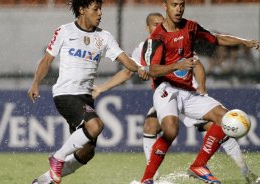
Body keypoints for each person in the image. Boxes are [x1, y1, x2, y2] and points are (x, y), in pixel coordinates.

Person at [92, 12, 259, 184]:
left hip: (189, 93)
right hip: (167, 94)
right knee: (151, 126)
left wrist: (201, 87)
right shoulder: (143, 48)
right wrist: (102, 88)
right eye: (154, 24)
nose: (158, 26)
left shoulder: (179, 37)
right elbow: (128, 72)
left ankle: (245, 171)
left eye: (160, 23)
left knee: (224, 124)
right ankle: (151, 178)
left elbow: (199, 64)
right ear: (147, 28)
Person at [139, 0, 260, 183]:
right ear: (165, 6)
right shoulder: (157, 37)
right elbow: (152, 70)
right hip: (166, 89)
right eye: (174, 5)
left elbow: (216, 38)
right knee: (170, 131)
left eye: (181, 4)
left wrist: (244, 42)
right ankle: (146, 180)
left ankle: (199, 165)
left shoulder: (191, 27)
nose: (178, 9)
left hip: (188, 90)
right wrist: (177, 65)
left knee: (224, 118)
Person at [28, 0, 148, 184]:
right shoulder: (65, 31)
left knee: (87, 152)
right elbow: (46, 60)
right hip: (66, 93)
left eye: (100, 9)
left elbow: (126, 60)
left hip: (85, 97)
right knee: (95, 126)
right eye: (95, 9)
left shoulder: (104, 37)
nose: (100, 13)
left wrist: (141, 68)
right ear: (82, 10)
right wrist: (36, 83)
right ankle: (57, 157)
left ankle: (43, 181)